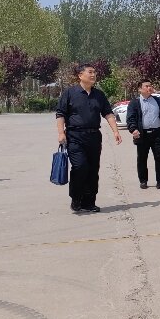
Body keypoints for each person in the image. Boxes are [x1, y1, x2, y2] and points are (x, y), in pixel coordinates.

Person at [56, 63, 122, 213]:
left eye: (94, 72)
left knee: (93, 170)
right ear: (80, 75)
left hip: (94, 137)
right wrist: (61, 133)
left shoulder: (99, 95)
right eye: (90, 72)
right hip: (74, 136)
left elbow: (108, 113)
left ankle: (89, 202)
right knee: (80, 167)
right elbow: (60, 114)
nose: (93, 75)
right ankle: (76, 198)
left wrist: (115, 131)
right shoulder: (70, 93)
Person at [126, 80, 160, 190]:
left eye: (150, 85)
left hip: (157, 134)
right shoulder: (135, 102)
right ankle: (143, 181)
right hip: (143, 135)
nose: (150, 88)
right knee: (142, 159)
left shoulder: (157, 100)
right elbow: (130, 118)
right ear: (140, 89)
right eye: (146, 86)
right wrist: (133, 129)